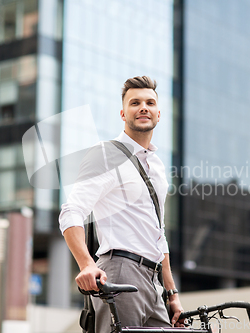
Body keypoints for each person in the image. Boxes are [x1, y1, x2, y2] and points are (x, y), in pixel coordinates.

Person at [59, 76, 184, 331]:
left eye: (150, 102)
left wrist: (172, 293)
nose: (143, 107)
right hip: (120, 270)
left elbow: (159, 235)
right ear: (122, 113)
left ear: (158, 114)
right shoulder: (106, 154)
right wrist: (86, 264)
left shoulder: (158, 166)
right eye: (135, 102)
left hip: (153, 280)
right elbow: (71, 212)